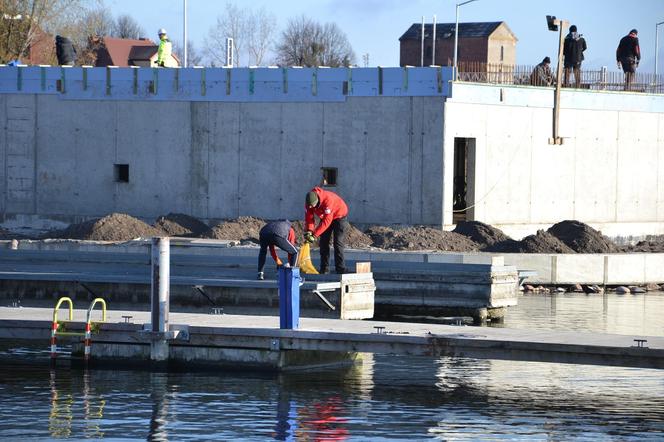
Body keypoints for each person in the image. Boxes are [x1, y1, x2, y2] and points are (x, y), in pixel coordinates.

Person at [304, 187, 349, 274]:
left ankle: (340, 269)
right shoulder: (309, 203)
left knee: (338, 243)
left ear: (317, 202)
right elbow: (309, 218)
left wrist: (314, 235)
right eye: (308, 205)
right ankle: (324, 268)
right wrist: (309, 231)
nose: (310, 207)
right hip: (326, 216)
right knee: (323, 242)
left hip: (339, 215)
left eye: (311, 206)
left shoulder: (328, 200)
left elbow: (327, 221)